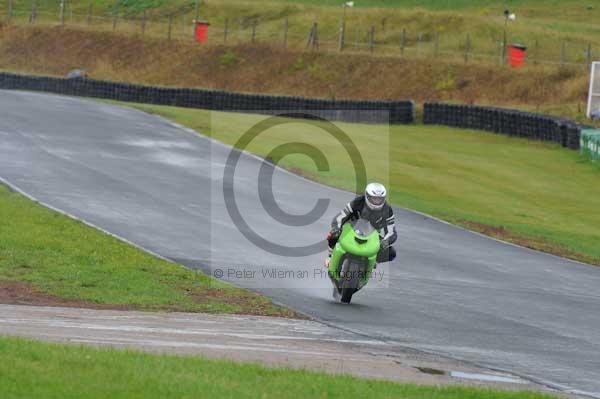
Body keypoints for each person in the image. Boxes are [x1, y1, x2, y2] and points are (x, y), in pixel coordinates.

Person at [326, 182, 397, 267]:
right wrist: (336, 228)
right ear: (367, 196)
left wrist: (384, 242)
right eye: (374, 199)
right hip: (351, 228)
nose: (377, 202)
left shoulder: (387, 209)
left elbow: (391, 232)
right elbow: (340, 217)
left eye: (379, 199)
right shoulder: (358, 202)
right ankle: (330, 256)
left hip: (373, 234)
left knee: (391, 253)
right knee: (333, 234)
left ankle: (373, 261)